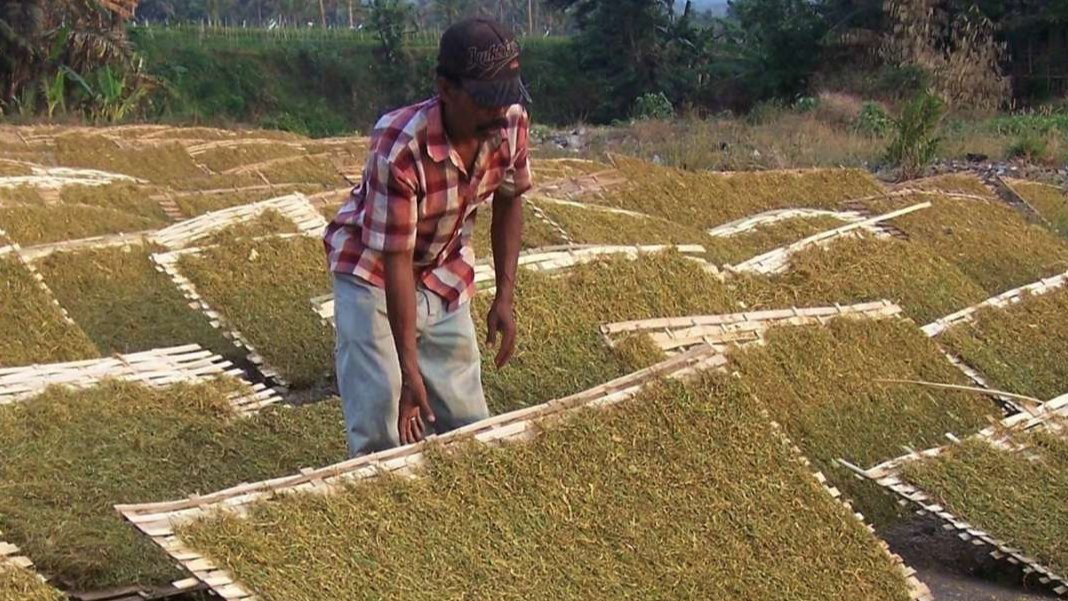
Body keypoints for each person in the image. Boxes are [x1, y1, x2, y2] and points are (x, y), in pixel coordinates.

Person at [323, 17, 533, 457]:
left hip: (443, 267)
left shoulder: (509, 122)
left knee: (468, 421)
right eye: (485, 101)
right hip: (373, 272)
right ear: (446, 89)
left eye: (504, 100)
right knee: (382, 422)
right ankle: (379, 496)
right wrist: (408, 369)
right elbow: (395, 260)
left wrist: (505, 299)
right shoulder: (400, 145)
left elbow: (510, 200)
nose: (498, 113)